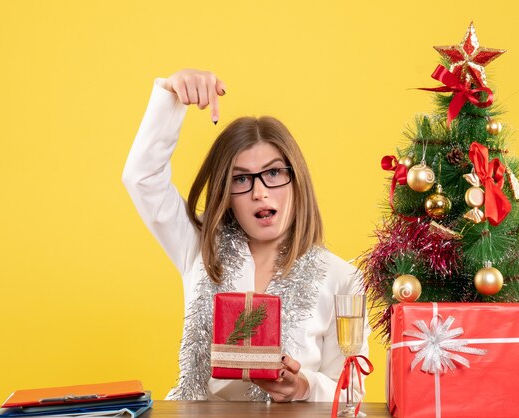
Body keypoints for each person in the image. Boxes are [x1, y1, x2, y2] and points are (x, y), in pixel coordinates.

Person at [122, 69, 368, 402]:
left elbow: (350, 392)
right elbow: (142, 179)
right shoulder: (199, 245)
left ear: (297, 180)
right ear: (226, 193)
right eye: (241, 179)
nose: (260, 192)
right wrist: (171, 94)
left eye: (273, 173)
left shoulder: (343, 279)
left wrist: (303, 386)